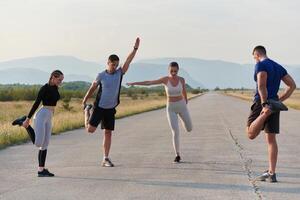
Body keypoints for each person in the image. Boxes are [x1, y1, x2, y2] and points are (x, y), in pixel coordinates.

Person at [82, 37, 140, 167]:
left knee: (108, 132)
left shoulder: (120, 73)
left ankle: (106, 158)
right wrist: (85, 100)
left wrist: (135, 49)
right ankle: (87, 112)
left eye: (116, 64)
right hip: (99, 107)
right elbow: (92, 88)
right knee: (90, 130)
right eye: (112, 64)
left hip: (110, 108)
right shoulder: (101, 75)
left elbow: (128, 61)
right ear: (107, 63)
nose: (114, 67)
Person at [246, 46, 296, 182]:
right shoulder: (278, 67)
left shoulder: (260, 65)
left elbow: (261, 85)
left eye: (253, 57)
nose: (254, 60)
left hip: (262, 104)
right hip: (274, 104)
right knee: (271, 140)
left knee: (250, 133)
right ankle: (272, 173)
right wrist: (278, 100)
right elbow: (292, 85)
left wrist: (264, 105)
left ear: (256, 54)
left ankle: (264, 114)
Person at [127, 62, 192, 163]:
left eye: (175, 71)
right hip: (171, 108)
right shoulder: (165, 80)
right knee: (175, 131)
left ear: (178, 70)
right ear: (168, 70)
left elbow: (183, 90)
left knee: (189, 128)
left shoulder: (182, 80)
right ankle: (177, 155)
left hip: (182, 106)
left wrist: (186, 100)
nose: (173, 73)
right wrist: (134, 83)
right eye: (171, 71)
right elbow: (149, 83)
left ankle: (182, 119)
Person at [12, 70, 64, 177]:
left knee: (45, 144)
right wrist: (28, 118)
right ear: (53, 77)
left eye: (61, 80)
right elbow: (36, 103)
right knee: (38, 143)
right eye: (59, 80)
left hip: (49, 116)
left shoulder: (55, 88)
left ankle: (41, 170)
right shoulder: (44, 88)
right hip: (41, 115)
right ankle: (24, 122)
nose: (60, 82)